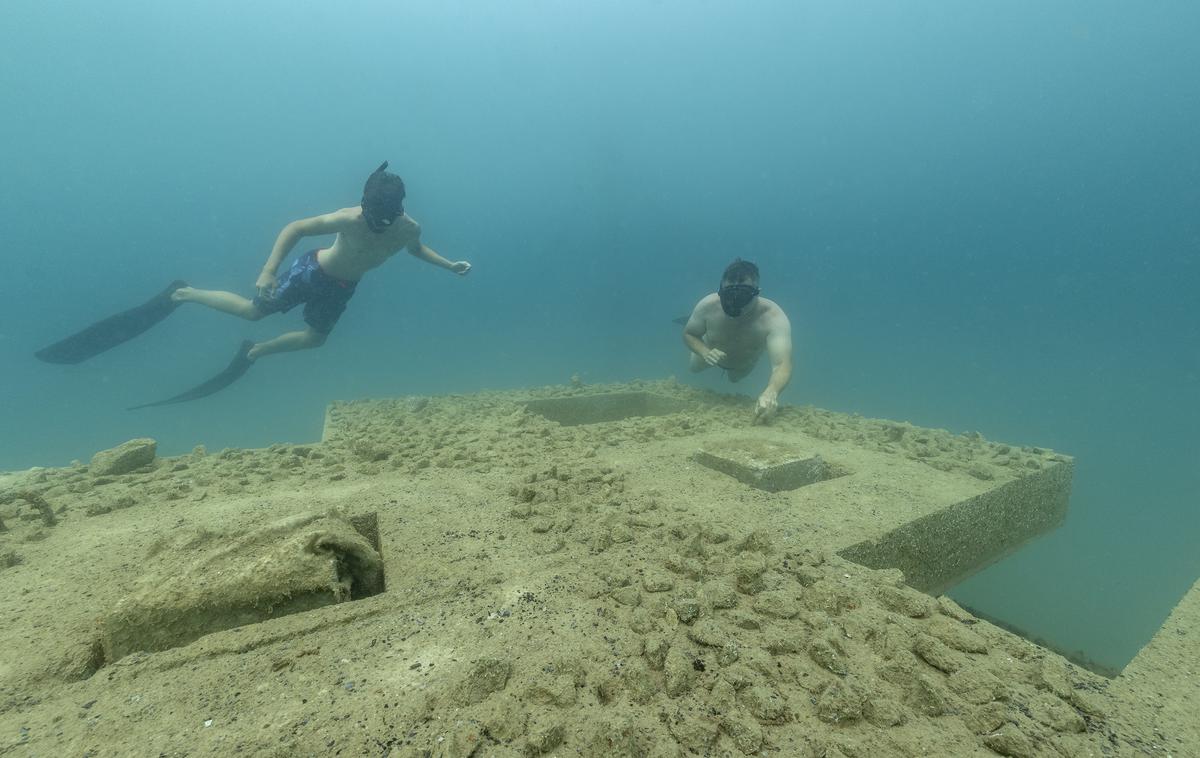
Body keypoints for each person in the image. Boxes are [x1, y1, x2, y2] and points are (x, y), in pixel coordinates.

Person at [172, 161, 471, 361]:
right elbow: (297, 228)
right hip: (313, 272)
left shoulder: (409, 229)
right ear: (365, 205)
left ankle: (257, 351)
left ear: (399, 208)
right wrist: (268, 271)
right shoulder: (349, 218)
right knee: (252, 312)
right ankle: (187, 293)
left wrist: (450, 265)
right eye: (373, 216)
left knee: (315, 340)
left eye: (387, 217)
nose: (379, 223)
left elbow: (416, 250)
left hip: (342, 287)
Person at [682, 259, 793, 422]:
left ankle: (736, 370)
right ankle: (700, 331)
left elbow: (782, 363)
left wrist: (771, 391)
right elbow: (689, 333)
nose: (734, 304)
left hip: (743, 363)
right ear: (720, 291)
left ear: (757, 292)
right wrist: (704, 351)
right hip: (709, 352)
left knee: (734, 379)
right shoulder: (708, 306)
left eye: (742, 297)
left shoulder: (774, 317)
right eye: (728, 296)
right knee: (693, 368)